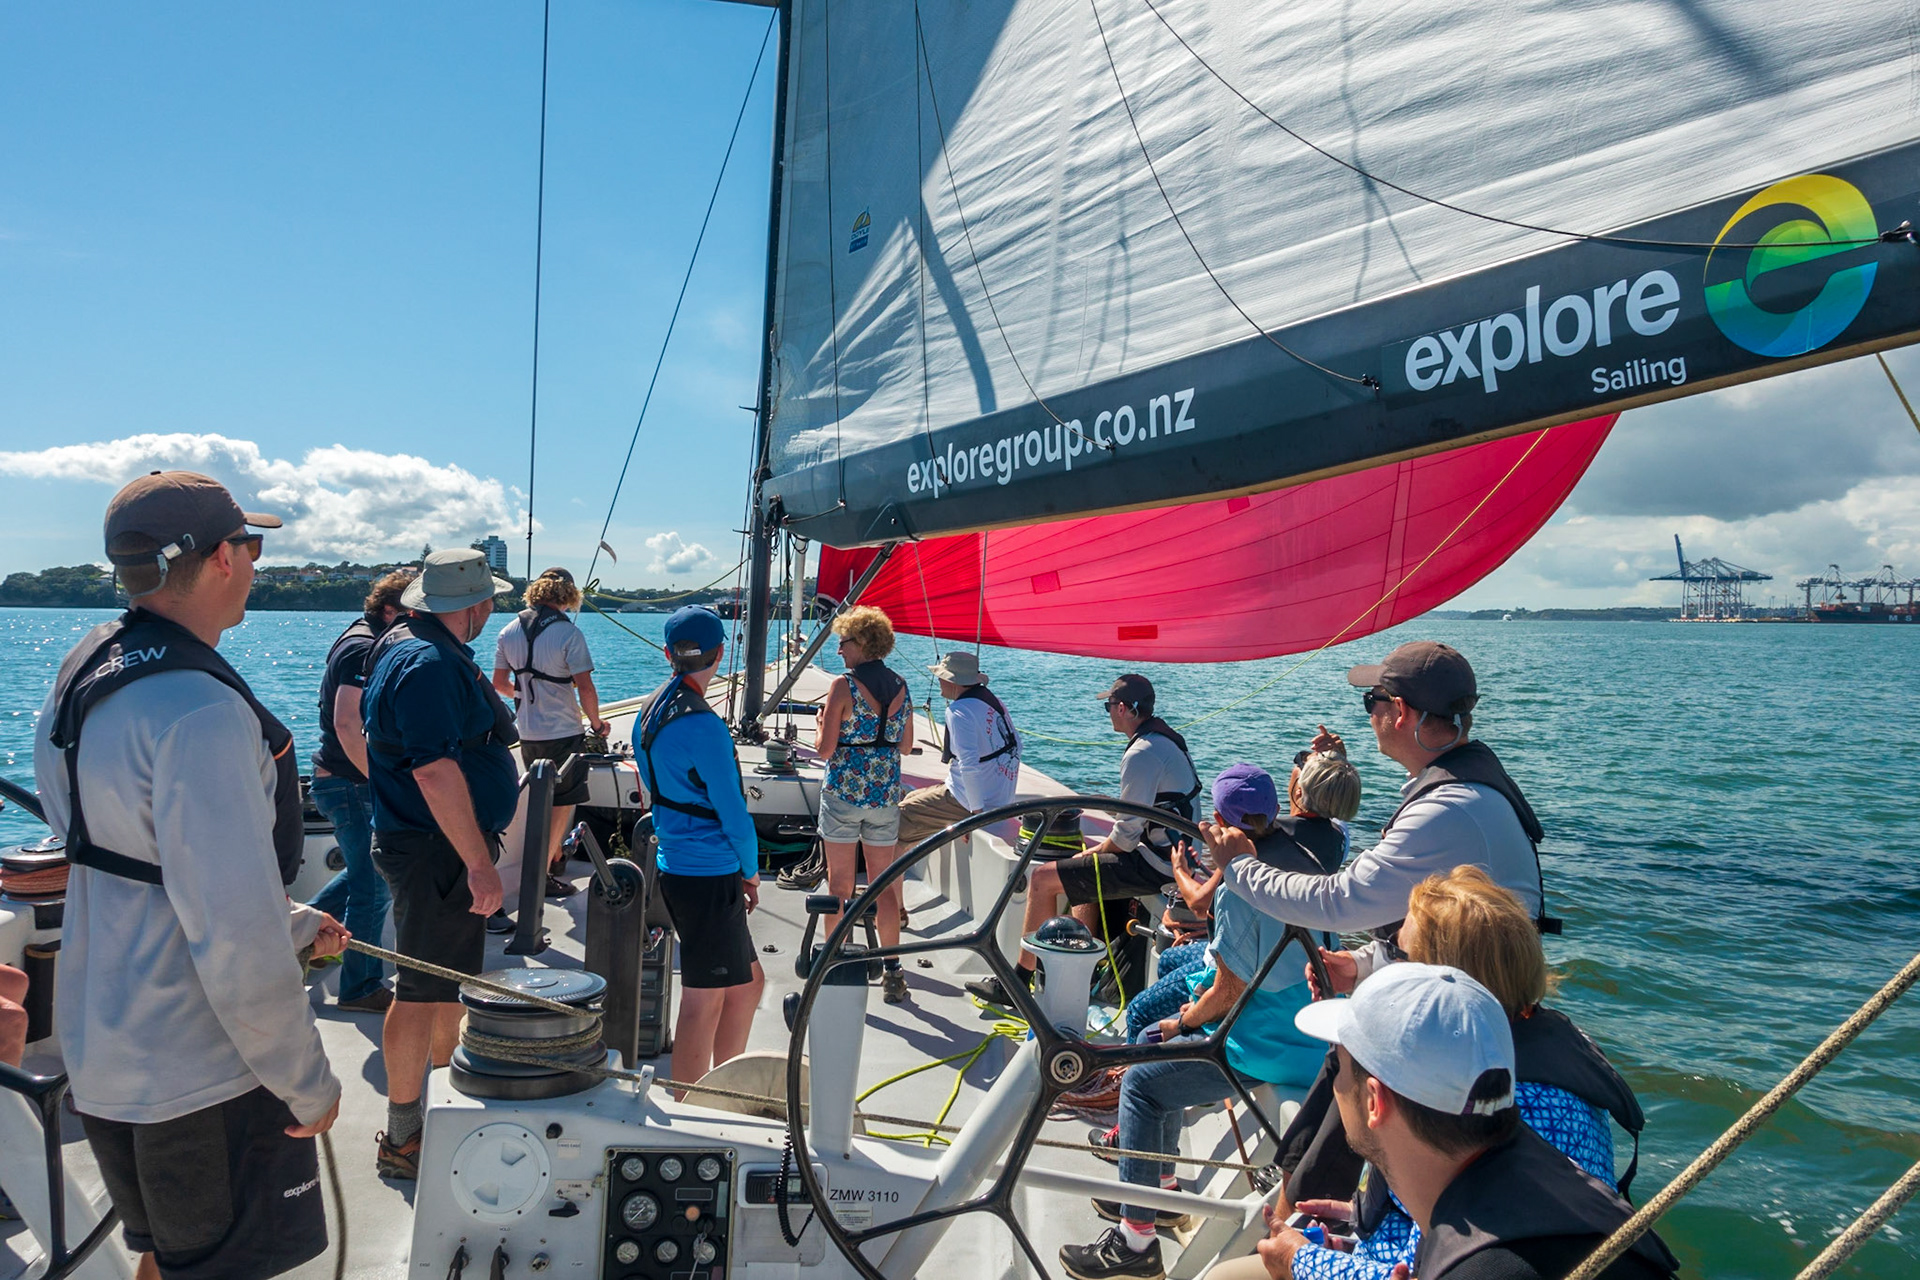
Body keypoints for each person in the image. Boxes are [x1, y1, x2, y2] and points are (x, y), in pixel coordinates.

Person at [33, 470, 345, 1280]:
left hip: (104, 1048)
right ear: (218, 560)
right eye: (252, 545)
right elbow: (235, 938)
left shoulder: (84, 665)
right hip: (199, 1074)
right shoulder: (200, 710)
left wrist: (299, 925)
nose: (256, 561)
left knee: (169, 1259)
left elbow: (115, 851)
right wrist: (307, 1082)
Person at [1263, 867, 1643, 1280]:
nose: (1389, 965)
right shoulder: (1530, 1057)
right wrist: (1362, 1219)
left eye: (1401, 956)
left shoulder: (1495, 1101)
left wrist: (1301, 1260)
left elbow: (1457, 1258)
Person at [1060, 759, 1357, 1280]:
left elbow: (1230, 989)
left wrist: (1183, 1021)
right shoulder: (1312, 856)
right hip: (1311, 1037)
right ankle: (1163, 1188)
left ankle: (1136, 1240)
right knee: (1157, 1044)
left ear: (1219, 820)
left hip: (1268, 1045)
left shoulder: (1244, 883)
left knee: (1146, 1075)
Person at [1211, 964, 1676, 1280]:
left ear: (1375, 1101)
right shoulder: (1543, 1178)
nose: (1333, 1083)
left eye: (1340, 1065)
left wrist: (1303, 1263)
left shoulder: (1476, 1263)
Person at [1208, 643, 1550, 987]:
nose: (1370, 714)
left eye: (1371, 701)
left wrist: (1240, 867)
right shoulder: (1469, 783)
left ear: (1399, 710)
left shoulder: (1446, 808)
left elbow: (1338, 902)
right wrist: (1364, 965)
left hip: (1467, 1017)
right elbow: (1446, 934)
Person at [361, 547, 520, 1179]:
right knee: (424, 989)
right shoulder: (427, 662)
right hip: (436, 853)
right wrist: (479, 865)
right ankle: (406, 1137)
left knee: (444, 986)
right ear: (476, 605)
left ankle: (441, 1114)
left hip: (428, 848)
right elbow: (432, 769)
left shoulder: (406, 642)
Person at [970, 673, 1199, 1009]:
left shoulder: (1142, 754)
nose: (1107, 712)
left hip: (1160, 866)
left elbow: (1123, 839)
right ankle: (1081, 974)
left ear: (1123, 708)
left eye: (1108, 706)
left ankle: (1018, 982)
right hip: (1174, 858)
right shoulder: (1166, 739)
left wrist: (1089, 854)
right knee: (1082, 868)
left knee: (1043, 879)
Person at [639, 606, 765, 1094]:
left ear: (669, 654)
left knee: (747, 986)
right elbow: (733, 813)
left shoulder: (651, 708)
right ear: (720, 654)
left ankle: (726, 1089)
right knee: (703, 1000)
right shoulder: (705, 726)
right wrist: (751, 872)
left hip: (679, 865)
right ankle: (688, 1105)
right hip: (709, 874)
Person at [305, 567, 416, 1013]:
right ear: (391, 610)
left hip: (344, 780)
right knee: (373, 884)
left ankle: (289, 943)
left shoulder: (364, 639)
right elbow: (347, 724)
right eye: (413, 614)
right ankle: (360, 986)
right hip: (351, 784)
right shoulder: (362, 650)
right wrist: (382, 780)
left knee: (361, 875)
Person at [813, 606, 914, 1004]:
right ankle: (892, 970)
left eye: (843, 642)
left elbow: (825, 750)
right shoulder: (902, 686)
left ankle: (835, 962)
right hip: (885, 796)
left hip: (842, 795)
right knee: (883, 885)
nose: (839, 650)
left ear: (861, 643)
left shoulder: (843, 686)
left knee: (839, 884)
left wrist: (823, 723)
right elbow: (905, 746)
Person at [491, 566, 609, 896]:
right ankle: (540, 878)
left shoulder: (508, 631)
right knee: (561, 805)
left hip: (527, 733)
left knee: (541, 800)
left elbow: (499, 683)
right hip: (563, 732)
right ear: (568, 595)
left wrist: (524, 693)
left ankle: (554, 858)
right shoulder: (569, 634)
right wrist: (598, 724)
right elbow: (585, 689)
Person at [895, 649, 1021, 850]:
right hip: (997, 798)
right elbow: (1018, 745)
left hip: (970, 802)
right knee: (910, 797)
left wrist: (976, 816)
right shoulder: (993, 701)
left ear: (953, 681)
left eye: (941, 677)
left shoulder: (958, 711)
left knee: (894, 822)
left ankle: (885, 880)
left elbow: (968, 766)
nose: (938, 680)